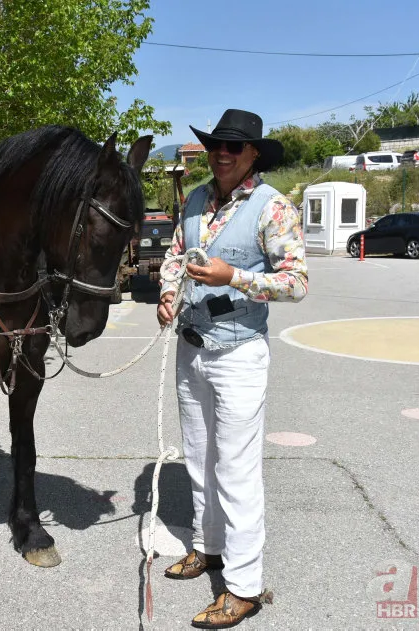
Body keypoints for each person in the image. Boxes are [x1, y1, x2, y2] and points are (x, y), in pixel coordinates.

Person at [157, 109, 308, 628]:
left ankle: (243, 587)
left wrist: (235, 277)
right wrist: (168, 293)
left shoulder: (273, 207)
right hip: (192, 346)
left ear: (253, 155)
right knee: (199, 459)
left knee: (237, 470)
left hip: (239, 353)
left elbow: (296, 283)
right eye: (216, 145)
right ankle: (208, 546)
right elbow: (175, 256)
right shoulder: (196, 199)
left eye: (234, 147)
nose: (222, 154)